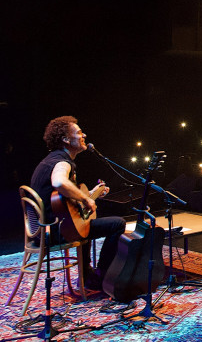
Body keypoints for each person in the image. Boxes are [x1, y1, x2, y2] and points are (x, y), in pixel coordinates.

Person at [30, 116, 126, 291]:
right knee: (117, 224)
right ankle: (99, 276)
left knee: (84, 223)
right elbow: (59, 182)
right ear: (66, 140)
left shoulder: (51, 159)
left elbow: (63, 201)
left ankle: (87, 273)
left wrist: (92, 194)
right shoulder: (61, 163)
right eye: (79, 132)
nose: (84, 135)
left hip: (43, 230)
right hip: (53, 232)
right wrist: (86, 199)